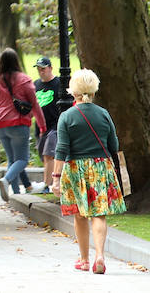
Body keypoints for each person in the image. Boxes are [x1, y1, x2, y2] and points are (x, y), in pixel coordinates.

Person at [54, 68, 126, 274]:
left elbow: (61, 149)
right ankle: (100, 256)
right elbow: (114, 145)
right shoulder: (103, 114)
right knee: (99, 213)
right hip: (100, 167)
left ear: (73, 91)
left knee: (79, 214)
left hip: (75, 169)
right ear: (94, 90)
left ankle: (84, 260)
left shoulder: (67, 116)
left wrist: (56, 178)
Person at [0, 48, 44, 200]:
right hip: (18, 124)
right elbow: (35, 104)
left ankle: (15, 194)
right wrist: (42, 125)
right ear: (16, 61)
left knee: (12, 159)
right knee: (22, 159)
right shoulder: (24, 80)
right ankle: (6, 180)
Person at [33, 55, 64, 194]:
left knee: (48, 154)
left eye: (43, 69)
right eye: (39, 69)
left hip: (54, 125)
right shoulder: (36, 84)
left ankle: (46, 185)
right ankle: (54, 180)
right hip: (40, 126)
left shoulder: (59, 83)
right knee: (43, 155)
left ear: (50, 68)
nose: (41, 72)